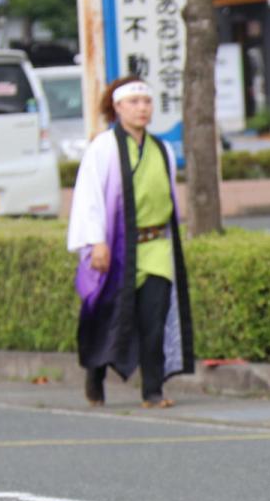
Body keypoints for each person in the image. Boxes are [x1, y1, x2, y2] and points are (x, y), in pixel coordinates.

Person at [67, 76, 194, 408]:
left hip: (156, 246)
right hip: (118, 247)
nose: (142, 108)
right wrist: (96, 241)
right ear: (118, 107)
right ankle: (95, 374)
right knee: (109, 315)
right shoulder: (104, 148)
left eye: (146, 102)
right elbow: (90, 197)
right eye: (134, 102)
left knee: (154, 316)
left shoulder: (161, 149)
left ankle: (153, 390)